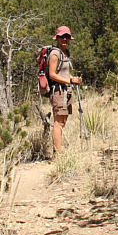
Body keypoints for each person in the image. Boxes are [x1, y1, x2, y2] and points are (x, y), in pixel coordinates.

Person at [47, 25, 82, 155]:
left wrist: (74, 79)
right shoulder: (55, 54)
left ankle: (57, 150)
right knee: (59, 122)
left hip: (65, 91)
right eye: (62, 37)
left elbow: (65, 73)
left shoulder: (65, 53)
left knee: (63, 120)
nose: (65, 39)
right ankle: (58, 153)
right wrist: (70, 81)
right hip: (58, 91)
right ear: (57, 38)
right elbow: (52, 74)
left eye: (67, 37)